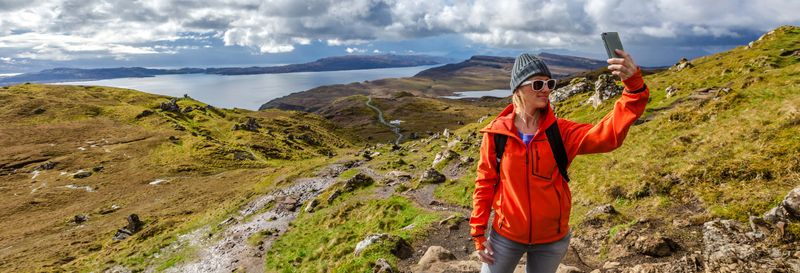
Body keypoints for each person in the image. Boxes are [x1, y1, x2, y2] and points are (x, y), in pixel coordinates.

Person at [469, 49, 649, 273]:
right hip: (506, 236)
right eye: (537, 84)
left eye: (549, 83)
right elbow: (484, 184)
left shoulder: (561, 132)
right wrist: (478, 233)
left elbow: (608, 136)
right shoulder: (497, 134)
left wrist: (633, 87)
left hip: (551, 241)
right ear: (518, 89)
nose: (546, 90)